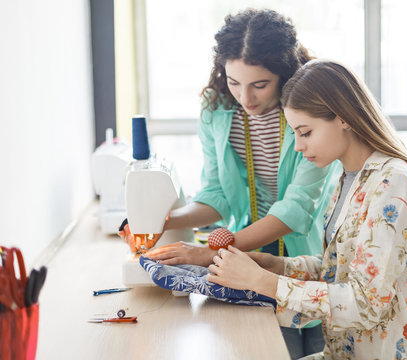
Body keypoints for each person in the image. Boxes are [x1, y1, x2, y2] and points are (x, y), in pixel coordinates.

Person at [119, 9, 340, 359]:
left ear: (286, 73)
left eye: (260, 85)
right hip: (245, 258)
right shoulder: (216, 111)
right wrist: (160, 220)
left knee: (307, 347)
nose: (245, 98)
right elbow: (216, 194)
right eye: (234, 82)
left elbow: (297, 209)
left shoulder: (309, 116)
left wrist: (212, 252)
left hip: (303, 257)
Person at [206, 59, 407, 359]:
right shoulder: (348, 177)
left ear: (344, 117)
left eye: (305, 132)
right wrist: (275, 265)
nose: (297, 146)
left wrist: (263, 283)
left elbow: (365, 304)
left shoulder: (393, 183)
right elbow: (339, 271)